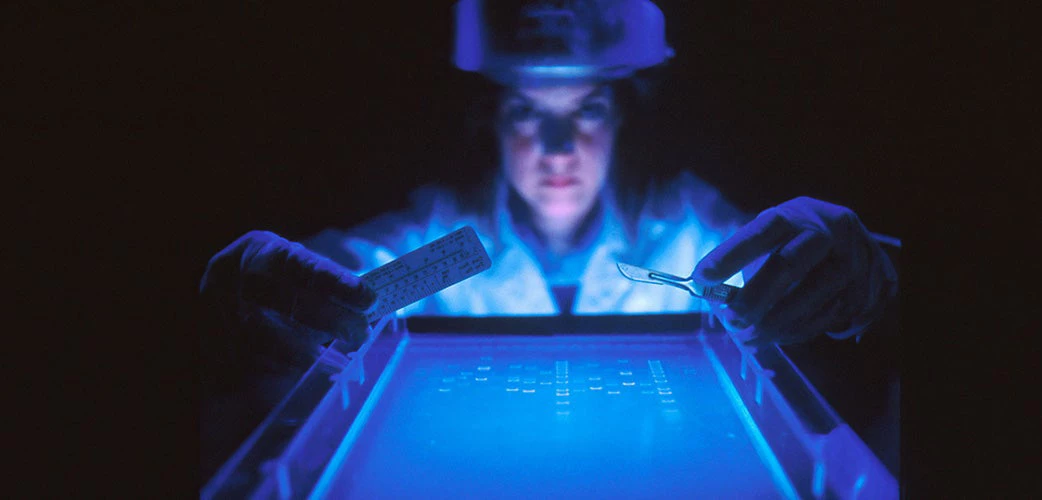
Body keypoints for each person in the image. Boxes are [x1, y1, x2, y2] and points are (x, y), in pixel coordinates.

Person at [199, 0, 899, 481]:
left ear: (625, 117)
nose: (559, 148)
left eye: (587, 109)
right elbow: (328, 284)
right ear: (490, 121)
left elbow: (822, 280)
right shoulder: (428, 245)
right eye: (529, 113)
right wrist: (244, 299)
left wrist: (877, 276)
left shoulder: (695, 237)